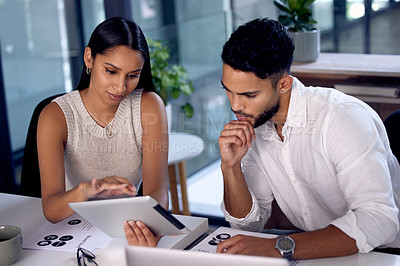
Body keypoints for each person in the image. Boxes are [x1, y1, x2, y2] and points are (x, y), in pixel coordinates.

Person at [216, 17, 400, 260]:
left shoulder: (341, 118)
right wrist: (230, 167)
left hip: (382, 253)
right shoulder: (256, 124)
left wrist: (276, 247)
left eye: (249, 95)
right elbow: (249, 226)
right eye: (228, 90)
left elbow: (379, 220)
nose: (236, 105)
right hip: (315, 251)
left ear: (283, 84)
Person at [37, 17, 168, 247]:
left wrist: (152, 224)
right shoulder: (55, 116)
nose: (121, 88)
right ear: (89, 58)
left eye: (132, 75)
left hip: (126, 228)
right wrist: (87, 190)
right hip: (74, 232)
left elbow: (157, 190)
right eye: (111, 71)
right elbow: (51, 208)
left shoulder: (149, 105)